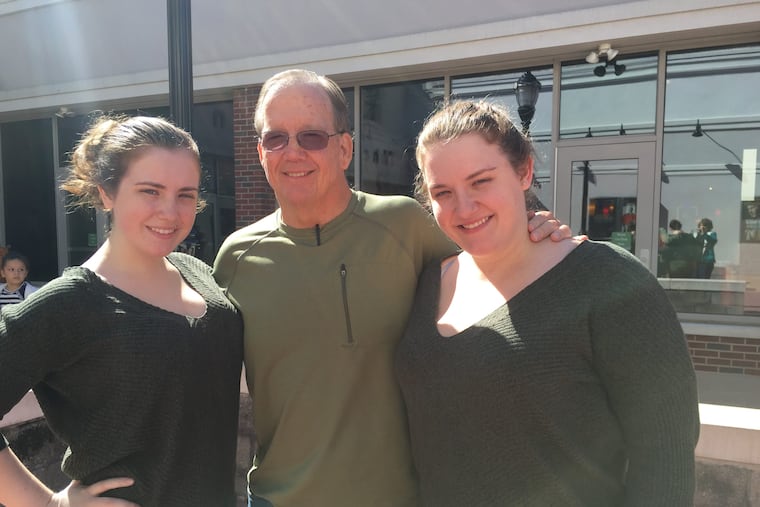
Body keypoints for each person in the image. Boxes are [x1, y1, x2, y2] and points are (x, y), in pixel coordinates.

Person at [213, 69, 573, 507]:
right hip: (275, 498)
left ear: (344, 148)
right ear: (260, 152)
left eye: (311, 137)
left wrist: (531, 230)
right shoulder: (236, 258)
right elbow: (197, 385)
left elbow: (491, 269)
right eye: (276, 138)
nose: (292, 152)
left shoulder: (406, 225)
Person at [394, 100, 700, 507]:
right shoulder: (427, 281)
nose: (464, 208)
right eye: (443, 192)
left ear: (524, 172)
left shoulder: (608, 281)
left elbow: (666, 458)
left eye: (481, 181)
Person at [0, 115, 243, 507]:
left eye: (185, 194)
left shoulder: (198, 273)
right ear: (107, 192)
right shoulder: (71, 301)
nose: (170, 211)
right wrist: (48, 504)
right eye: (150, 191)